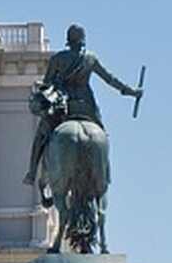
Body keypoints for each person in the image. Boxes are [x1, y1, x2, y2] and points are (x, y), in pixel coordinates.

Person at [23, 23, 142, 196]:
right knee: (102, 135)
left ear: (68, 41)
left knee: (41, 135)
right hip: (87, 107)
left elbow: (47, 86)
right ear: (82, 40)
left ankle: (32, 172)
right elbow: (110, 80)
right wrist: (131, 91)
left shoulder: (58, 59)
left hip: (64, 109)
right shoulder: (90, 58)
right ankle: (104, 171)